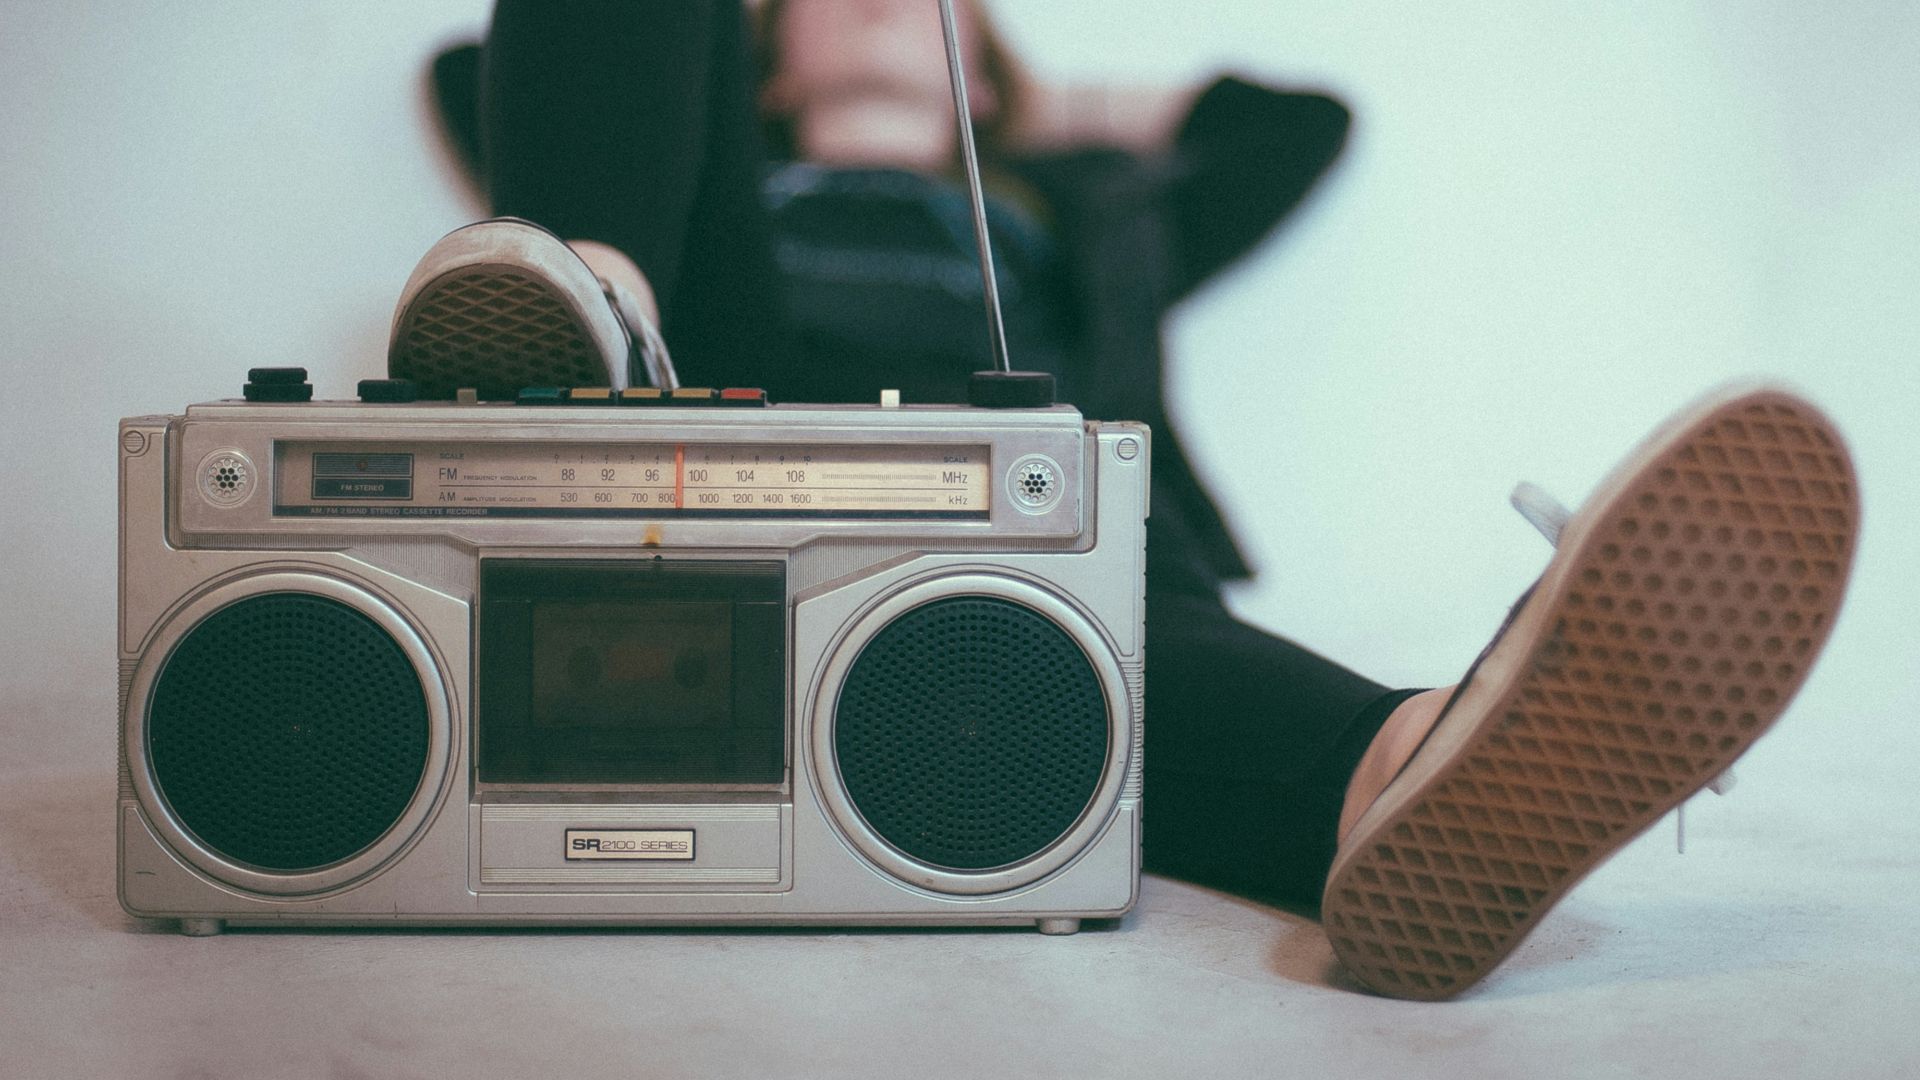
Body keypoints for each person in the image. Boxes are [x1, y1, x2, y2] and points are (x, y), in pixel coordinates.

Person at [390, 0, 1860, 1000]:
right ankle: (597, 308)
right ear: (761, 59)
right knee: (620, 284)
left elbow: (1300, 124)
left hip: (1026, 511)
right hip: (731, 421)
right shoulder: (729, 179)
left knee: (1106, 581)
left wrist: (1027, 101)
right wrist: (681, 135)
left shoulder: (1084, 207)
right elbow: (486, 70)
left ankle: (1413, 766)